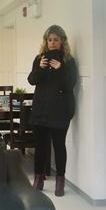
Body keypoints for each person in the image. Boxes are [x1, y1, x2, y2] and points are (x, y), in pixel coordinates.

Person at [27, 25, 78, 196]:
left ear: (62, 41)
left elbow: (69, 85)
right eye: (49, 39)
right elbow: (32, 81)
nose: (52, 42)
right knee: (40, 146)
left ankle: (60, 182)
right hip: (41, 109)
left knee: (59, 146)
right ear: (46, 41)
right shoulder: (39, 58)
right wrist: (40, 68)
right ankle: (38, 179)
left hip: (60, 110)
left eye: (56, 39)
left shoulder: (68, 61)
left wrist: (60, 68)